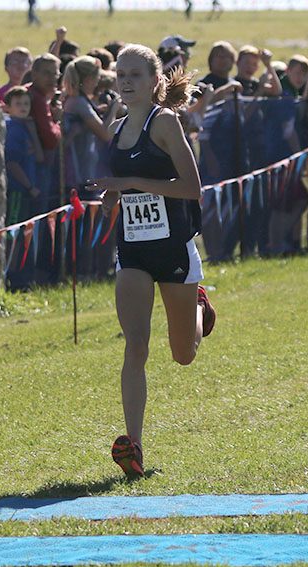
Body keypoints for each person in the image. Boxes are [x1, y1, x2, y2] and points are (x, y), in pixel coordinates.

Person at [85, 44, 215, 479]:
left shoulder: (165, 123)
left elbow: (191, 188)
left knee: (183, 354)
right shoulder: (118, 128)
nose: (125, 82)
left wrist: (129, 181)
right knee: (135, 344)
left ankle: (198, 305)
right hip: (134, 250)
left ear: (155, 82)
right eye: (120, 74)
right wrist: (114, 196)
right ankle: (134, 446)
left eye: (135, 75)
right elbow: (127, 185)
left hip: (174, 248)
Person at [62, 55, 122, 188]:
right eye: (97, 78)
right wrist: (114, 108)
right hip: (80, 173)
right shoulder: (79, 102)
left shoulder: (75, 99)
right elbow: (105, 134)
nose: (98, 82)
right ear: (88, 79)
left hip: (84, 168)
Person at [3, 86, 41, 227]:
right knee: (14, 228)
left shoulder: (24, 126)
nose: (23, 107)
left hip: (24, 189)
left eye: (26, 103)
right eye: (18, 104)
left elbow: (38, 157)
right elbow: (12, 164)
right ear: (7, 107)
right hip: (17, 189)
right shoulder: (13, 129)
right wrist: (30, 186)